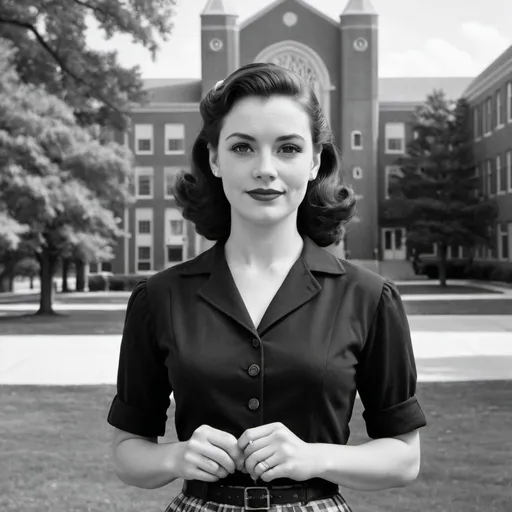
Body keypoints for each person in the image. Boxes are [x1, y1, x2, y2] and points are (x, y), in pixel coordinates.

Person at [107, 62, 427, 512]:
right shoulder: (158, 298)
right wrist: (175, 456)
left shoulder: (370, 298)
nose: (265, 169)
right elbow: (127, 453)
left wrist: (313, 456)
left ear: (315, 161)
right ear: (215, 158)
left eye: (288, 148)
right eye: (242, 147)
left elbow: (403, 458)